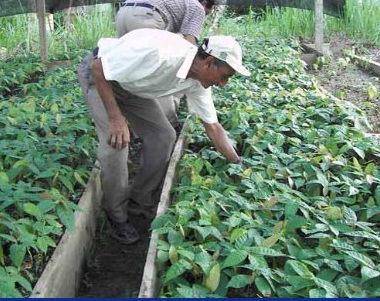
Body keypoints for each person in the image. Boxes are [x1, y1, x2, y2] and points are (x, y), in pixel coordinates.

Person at [78, 28, 251, 245]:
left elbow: (213, 127)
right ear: (208, 63)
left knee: (164, 136)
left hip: (131, 86)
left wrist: (238, 164)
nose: (223, 84)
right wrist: (116, 118)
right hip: (100, 77)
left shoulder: (198, 82)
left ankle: (139, 201)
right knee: (117, 143)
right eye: (224, 76)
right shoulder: (162, 55)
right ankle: (117, 215)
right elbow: (99, 67)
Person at [115, 0, 215, 44]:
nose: (203, 16)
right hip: (146, 15)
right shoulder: (197, 6)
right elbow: (189, 43)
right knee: (149, 61)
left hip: (123, 11)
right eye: (206, 13)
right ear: (204, 4)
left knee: (126, 57)